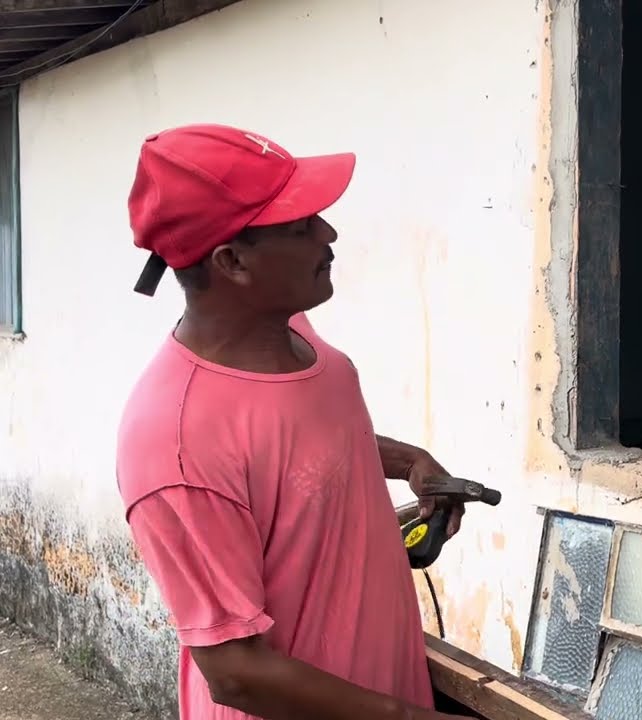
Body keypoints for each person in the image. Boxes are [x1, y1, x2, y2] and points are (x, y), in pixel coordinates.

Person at [116, 124, 473, 719]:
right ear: (232, 262)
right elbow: (236, 673)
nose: (329, 234)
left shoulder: (290, 333)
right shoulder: (174, 440)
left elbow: (301, 442)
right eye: (302, 225)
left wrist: (410, 464)